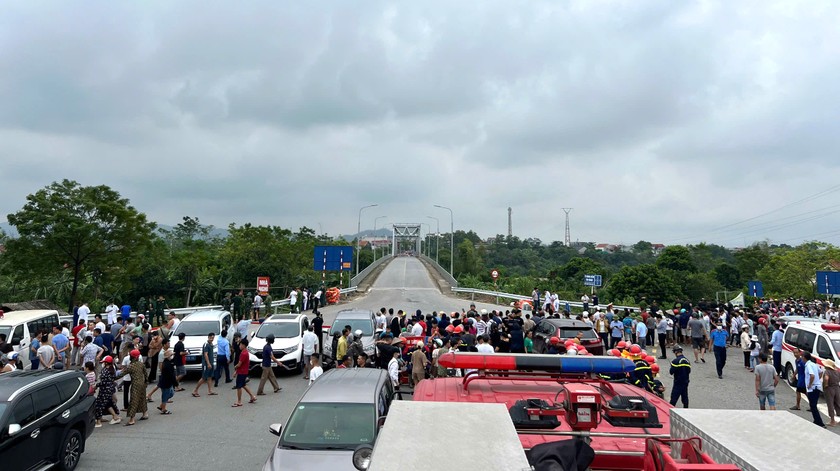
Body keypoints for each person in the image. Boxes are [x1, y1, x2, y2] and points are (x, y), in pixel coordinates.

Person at [117, 350, 149, 425]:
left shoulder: (131, 366)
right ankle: (145, 413)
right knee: (142, 398)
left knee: (133, 401)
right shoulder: (141, 364)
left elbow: (121, 374)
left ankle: (132, 419)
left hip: (135, 384)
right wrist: (146, 382)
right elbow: (146, 374)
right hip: (142, 383)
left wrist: (112, 378)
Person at [93, 355, 121, 427]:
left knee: (100, 404)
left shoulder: (105, 371)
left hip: (104, 390)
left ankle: (100, 421)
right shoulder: (112, 369)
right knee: (108, 403)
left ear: (106, 363)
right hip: (110, 389)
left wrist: (96, 385)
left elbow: (103, 382)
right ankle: (112, 416)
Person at [232, 338, 258, 407]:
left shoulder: (243, 353)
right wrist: (236, 371)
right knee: (243, 385)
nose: (239, 346)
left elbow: (239, 364)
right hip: (243, 371)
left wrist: (235, 367)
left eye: (240, 344)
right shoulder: (245, 352)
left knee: (239, 387)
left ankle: (239, 401)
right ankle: (252, 396)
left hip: (242, 372)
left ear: (244, 345)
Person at [803, 351, 826, 427]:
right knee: (813, 405)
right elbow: (821, 372)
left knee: (813, 405)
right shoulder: (813, 364)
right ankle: (816, 420)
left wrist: (810, 384)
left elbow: (812, 375)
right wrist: (818, 380)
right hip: (817, 387)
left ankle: (819, 422)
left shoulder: (808, 365)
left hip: (812, 388)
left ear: (804, 357)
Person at [192, 333, 217, 397]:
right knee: (204, 377)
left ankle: (210, 390)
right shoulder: (206, 345)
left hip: (211, 363)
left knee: (209, 377)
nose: (212, 338)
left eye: (213, 337)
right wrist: (208, 363)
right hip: (206, 364)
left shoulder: (211, 344)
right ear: (208, 337)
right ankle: (195, 390)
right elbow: (205, 354)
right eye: (211, 337)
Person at [157, 350, 177, 415]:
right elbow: (171, 374)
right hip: (166, 382)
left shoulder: (168, 362)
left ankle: (162, 405)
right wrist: (175, 382)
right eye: (171, 355)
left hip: (168, 382)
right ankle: (163, 409)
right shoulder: (167, 364)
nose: (172, 356)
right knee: (165, 395)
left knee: (171, 393)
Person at [822, 359, 840, 426]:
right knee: (838, 404)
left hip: (830, 389)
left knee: (830, 404)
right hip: (837, 388)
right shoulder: (837, 372)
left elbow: (826, 378)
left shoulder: (827, 372)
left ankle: (832, 421)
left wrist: (825, 385)